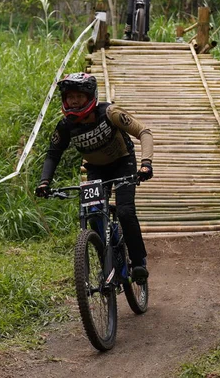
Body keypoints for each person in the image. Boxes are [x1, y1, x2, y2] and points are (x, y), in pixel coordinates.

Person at [35, 72, 154, 283]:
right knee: (93, 215)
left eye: (78, 96)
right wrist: (45, 182)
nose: (73, 101)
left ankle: (138, 263)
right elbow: (53, 153)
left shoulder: (110, 113)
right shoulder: (66, 126)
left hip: (123, 164)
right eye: (69, 97)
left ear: (90, 96)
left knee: (125, 212)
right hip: (96, 169)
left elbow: (143, 131)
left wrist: (146, 164)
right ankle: (112, 266)